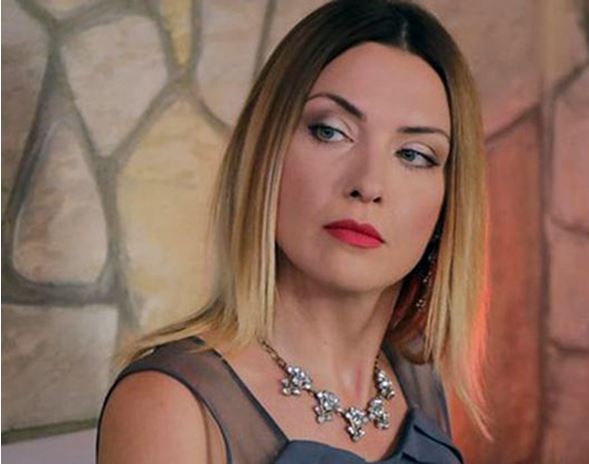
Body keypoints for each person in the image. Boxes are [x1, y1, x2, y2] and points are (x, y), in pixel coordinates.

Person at [96, 0, 490, 462]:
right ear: (266, 153)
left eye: (414, 155)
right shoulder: (168, 407)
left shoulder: (417, 376)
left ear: (449, 203)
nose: (368, 184)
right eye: (330, 131)